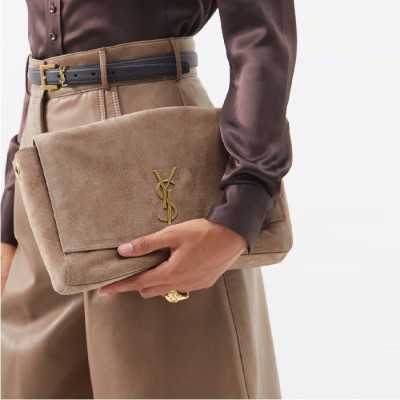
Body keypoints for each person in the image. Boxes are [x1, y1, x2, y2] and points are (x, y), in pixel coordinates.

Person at [1, 0, 297, 398]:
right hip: (40, 178)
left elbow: (261, 37)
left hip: (153, 160)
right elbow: (44, 63)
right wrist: (8, 223)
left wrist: (241, 209)